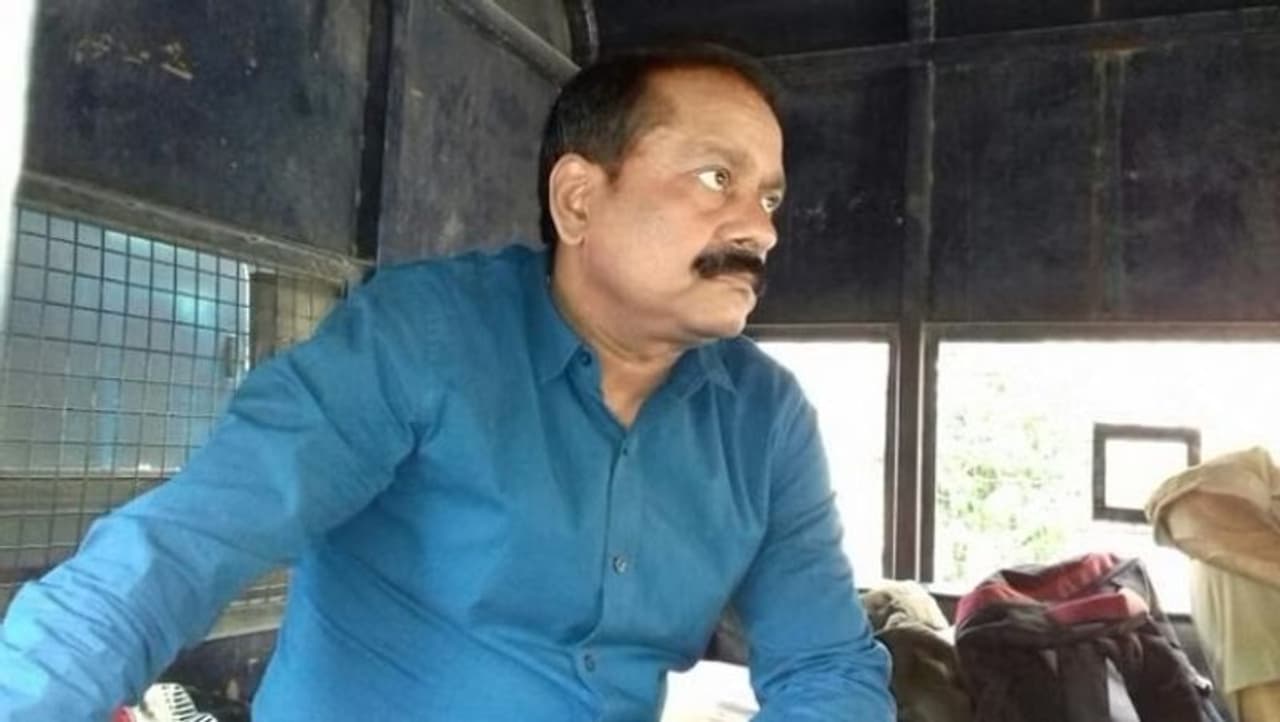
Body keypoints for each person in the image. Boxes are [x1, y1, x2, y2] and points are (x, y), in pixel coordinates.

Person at [0, 45, 893, 721]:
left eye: (768, 198)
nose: (759, 230)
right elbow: (180, 549)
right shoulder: (419, 340)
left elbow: (827, 668)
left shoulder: (765, 420)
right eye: (716, 178)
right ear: (579, 200)